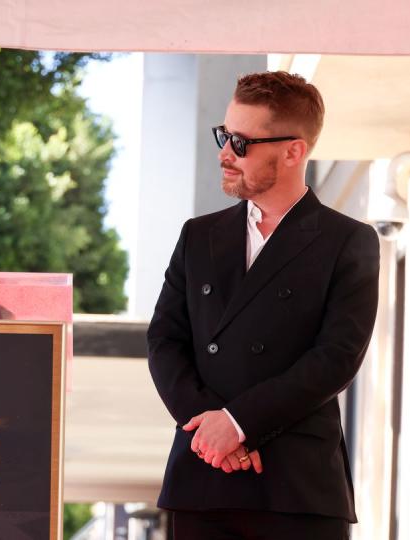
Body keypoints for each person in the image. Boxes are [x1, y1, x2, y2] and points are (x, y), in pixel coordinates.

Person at [146, 71, 380, 539]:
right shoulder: (199, 236)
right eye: (224, 135)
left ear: (293, 150)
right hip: (205, 477)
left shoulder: (348, 241)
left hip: (297, 486)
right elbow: (165, 340)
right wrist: (211, 432)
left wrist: (239, 424)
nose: (225, 153)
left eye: (241, 142)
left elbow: (337, 358)